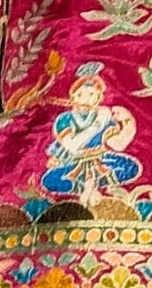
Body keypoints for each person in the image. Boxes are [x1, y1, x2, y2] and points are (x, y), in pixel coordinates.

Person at [41, 63, 142, 200]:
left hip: (101, 158)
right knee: (49, 181)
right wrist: (97, 124)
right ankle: (88, 188)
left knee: (130, 168)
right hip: (73, 161)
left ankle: (90, 186)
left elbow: (117, 145)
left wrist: (127, 122)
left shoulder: (105, 117)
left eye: (91, 94)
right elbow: (73, 145)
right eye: (80, 94)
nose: (86, 99)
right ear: (73, 97)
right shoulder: (65, 119)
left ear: (98, 98)